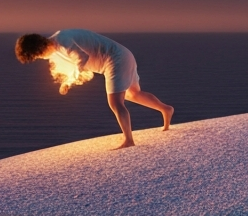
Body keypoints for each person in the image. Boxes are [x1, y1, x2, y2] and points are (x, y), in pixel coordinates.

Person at [15, 29, 173, 149]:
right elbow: (71, 64)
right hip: (125, 55)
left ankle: (129, 140)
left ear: (40, 48)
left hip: (115, 59)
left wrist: (71, 81)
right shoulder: (57, 43)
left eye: (37, 56)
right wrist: (67, 82)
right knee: (133, 94)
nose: (40, 58)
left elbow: (81, 60)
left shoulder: (62, 41)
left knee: (115, 103)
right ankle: (166, 109)